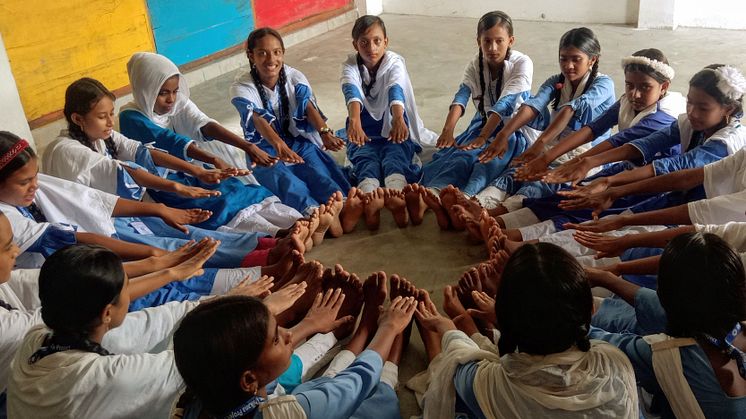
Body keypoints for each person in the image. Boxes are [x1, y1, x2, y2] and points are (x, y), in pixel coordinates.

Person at [45, 77, 298, 236]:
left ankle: (289, 223)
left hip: (152, 187)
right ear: (78, 119)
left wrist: (198, 169)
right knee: (176, 236)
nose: (111, 122)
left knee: (223, 188)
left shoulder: (104, 135)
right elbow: (129, 170)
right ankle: (270, 240)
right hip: (105, 219)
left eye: (111, 113)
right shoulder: (67, 150)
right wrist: (178, 184)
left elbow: (145, 151)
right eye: (103, 116)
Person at [413, 242, 638, 418]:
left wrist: (448, 328)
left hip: (492, 363)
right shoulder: (614, 361)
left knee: (452, 379)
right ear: (591, 311)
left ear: (503, 317)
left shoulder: (489, 385)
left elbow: (460, 365)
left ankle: (456, 334)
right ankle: (478, 330)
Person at [171, 274, 417, 419]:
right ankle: (389, 361)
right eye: (276, 339)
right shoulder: (288, 413)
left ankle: (361, 335)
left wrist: (310, 324)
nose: (290, 334)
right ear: (248, 380)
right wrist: (389, 328)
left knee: (313, 386)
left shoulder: (199, 400)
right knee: (372, 401)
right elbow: (355, 383)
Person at [119, 53, 303, 233]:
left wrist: (247, 146)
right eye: (163, 93)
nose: (171, 99)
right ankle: (277, 233)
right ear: (146, 90)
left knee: (234, 187)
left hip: (192, 168)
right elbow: (171, 141)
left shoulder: (176, 103)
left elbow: (204, 123)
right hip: (164, 181)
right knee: (216, 200)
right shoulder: (130, 117)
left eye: (175, 91)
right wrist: (214, 160)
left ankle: (297, 221)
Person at [590, 233, 746, 418]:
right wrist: (607, 279)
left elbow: (601, 342)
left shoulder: (670, 356)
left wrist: (571, 308)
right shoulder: (733, 330)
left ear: (663, 293)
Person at [473, 27, 615, 211]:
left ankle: (496, 214)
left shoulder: (604, 84)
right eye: (563, 59)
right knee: (517, 172)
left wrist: (541, 144)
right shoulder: (556, 80)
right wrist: (504, 134)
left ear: (592, 60)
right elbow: (533, 105)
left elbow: (570, 110)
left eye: (576, 59)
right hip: (554, 147)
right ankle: (477, 203)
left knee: (543, 181)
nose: (568, 66)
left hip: (586, 155)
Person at [230, 27, 352, 220]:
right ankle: (313, 214)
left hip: (297, 141)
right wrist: (278, 145)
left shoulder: (294, 77)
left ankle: (341, 205)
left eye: (277, 52)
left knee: (318, 173)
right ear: (250, 56)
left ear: (283, 53)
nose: (271, 60)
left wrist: (324, 132)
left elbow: (307, 106)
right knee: (285, 180)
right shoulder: (242, 87)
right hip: (262, 149)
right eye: (262, 53)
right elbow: (256, 117)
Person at [419, 11, 535, 203]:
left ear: (511, 40)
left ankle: (465, 198)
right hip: (482, 123)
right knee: (461, 157)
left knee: (488, 161)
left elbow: (504, 104)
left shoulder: (523, 63)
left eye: (499, 41)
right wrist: (448, 130)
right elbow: (462, 95)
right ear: (478, 41)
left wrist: (483, 137)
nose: (492, 47)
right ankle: (433, 193)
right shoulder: (476, 63)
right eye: (486, 41)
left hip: (512, 130)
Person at [339, 15, 438, 230]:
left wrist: (399, 119)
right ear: (355, 44)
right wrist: (355, 122)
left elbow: (396, 89)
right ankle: (369, 200)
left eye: (377, 41)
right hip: (364, 129)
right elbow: (352, 91)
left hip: (394, 125)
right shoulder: (350, 65)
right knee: (365, 159)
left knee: (396, 154)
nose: (371, 48)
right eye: (364, 42)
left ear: (386, 41)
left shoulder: (394, 62)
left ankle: (397, 196)